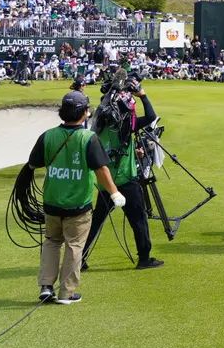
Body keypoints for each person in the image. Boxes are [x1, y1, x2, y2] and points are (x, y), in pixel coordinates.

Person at [23, 91, 122, 305]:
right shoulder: (88, 138)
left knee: (51, 242)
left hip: (51, 202)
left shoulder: (48, 135)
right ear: (84, 113)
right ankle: (66, 293)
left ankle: (46, 286)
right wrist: (115, 193)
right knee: (74, 245)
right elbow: (101, 169)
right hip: (78, 204)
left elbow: (33, 164)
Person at [84, 76, 164, 271]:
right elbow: (151, 117)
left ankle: (79, 259)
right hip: (126, 179)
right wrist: (142, 95)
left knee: (96, 222)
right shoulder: (127, 124)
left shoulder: (98, 127)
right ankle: (144, 258)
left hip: (106, 182)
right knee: (138, 220)